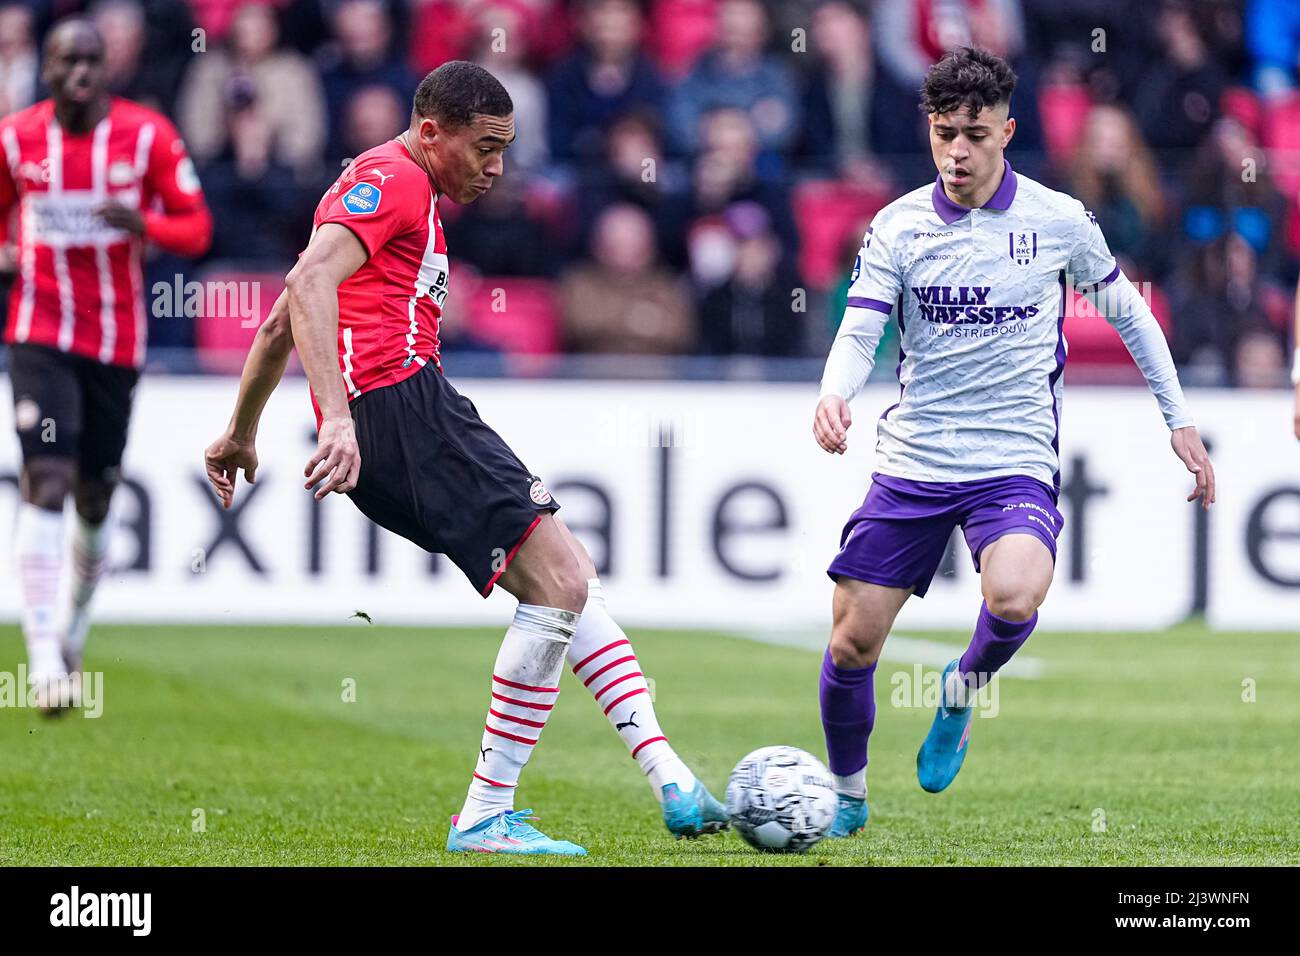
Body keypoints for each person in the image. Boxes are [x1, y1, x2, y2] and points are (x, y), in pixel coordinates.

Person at [202, 61, 726, 856]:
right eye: (485, 148)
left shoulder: (384, 193)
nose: (497, 168)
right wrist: (337, 419)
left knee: (567, 577)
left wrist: (243, 430)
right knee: (560, 582)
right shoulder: (397, 179)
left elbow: (282, 318)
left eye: (505, 149)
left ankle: (672, 781)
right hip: (401, 408)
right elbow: (307, 283)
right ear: (431, 132)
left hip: (395, 418)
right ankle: (487, 813)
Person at [810, 47, 1215, 838]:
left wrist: (1179, 420)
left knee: (1017, 593)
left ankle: (960, 694)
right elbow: (861, 331)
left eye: (974, 134)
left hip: (1012, 460)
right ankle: (848, 796)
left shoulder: (1058, 222)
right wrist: (834, 391)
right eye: (942, 134)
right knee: (853, 642)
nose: (956, 152)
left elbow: (1131, 315)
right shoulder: (898, 226)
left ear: (1007, 131)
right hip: (915, 460)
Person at [0, 18, 212, 710]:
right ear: (49, 68)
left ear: (107, 68)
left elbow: (198, 225)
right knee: (47, 478)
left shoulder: (147, 136)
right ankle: (42, 664)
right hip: (38, 332)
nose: (81, 73)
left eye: (92, 60)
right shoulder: (16, 138)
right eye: (68, 61)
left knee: (95, 497)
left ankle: (74, 627)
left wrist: (145, 224)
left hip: (116, 343)